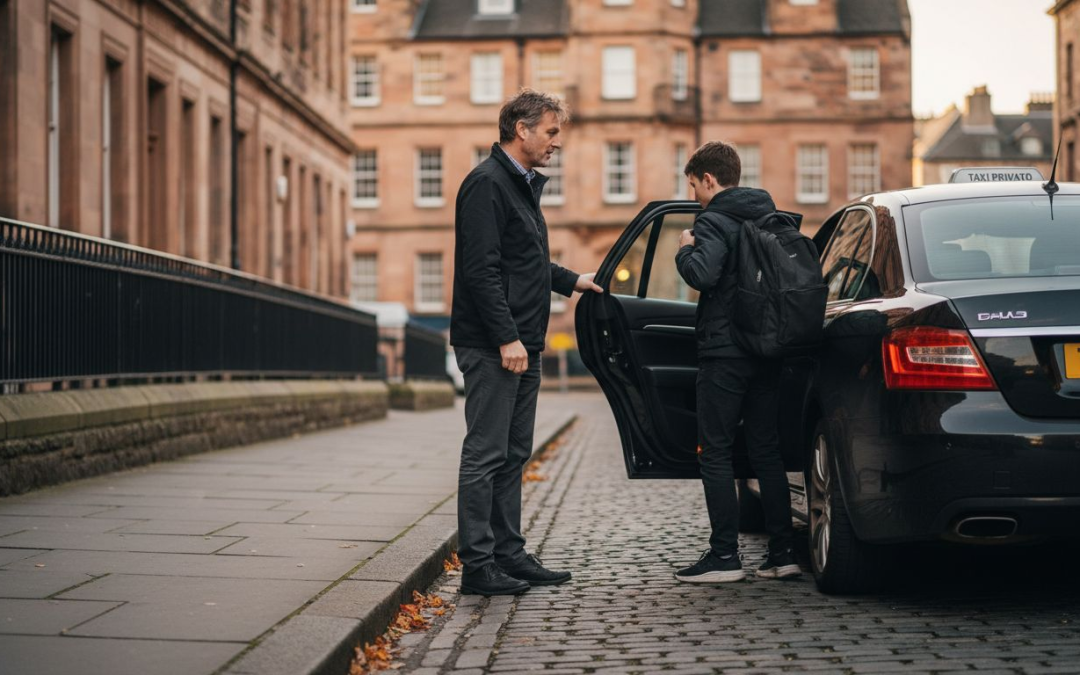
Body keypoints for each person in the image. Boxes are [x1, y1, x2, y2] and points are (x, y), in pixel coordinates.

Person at [450, 89, 602, 596]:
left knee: (514, 454)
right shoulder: (487, 183)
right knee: (485, 454)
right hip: (496, 346)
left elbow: (525, 261)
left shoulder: (519, 185)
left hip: (523, 343)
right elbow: (481, 271)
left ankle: (508, 554)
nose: (557, 142)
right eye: (551, 132)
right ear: (522, 129)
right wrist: (506, 338)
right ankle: (478, 566)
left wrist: (573, 281)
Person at [672, 141, 800, 583]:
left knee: (715, 452)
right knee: (766, 450)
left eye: (693, 186)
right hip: (767, 350)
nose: (693, 196)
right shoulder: (770, 217)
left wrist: (685, 248)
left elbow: (702, 274)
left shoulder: (712, 220)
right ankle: (782, 554)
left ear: (709, 180)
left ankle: (724, 557)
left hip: (725, 353)